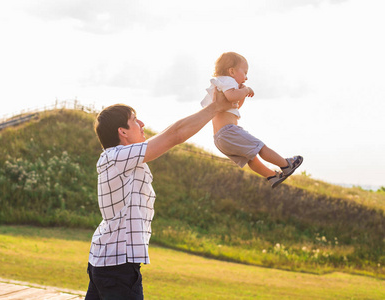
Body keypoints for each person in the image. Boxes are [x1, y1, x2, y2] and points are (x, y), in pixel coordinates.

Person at [85, 90, 233, 300]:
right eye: (135, 120)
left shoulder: (118, 159)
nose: (142, 124)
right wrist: (215, 107)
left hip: (106, 260)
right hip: (118, 267)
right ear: (123, 132)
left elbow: (167, 135)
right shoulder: (117, 157)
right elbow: (175, 135)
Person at [201, 52, 303, 188]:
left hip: (220, 139)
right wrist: (246, 90)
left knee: (250, 157)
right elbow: (231, 97)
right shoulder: (226, 80)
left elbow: (234, 106)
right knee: (260, 147)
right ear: (231, 71)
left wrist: (242, 94)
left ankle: (271, 176)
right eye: (244, 72)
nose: (246, 77)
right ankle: (286, 165)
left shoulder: (221, 86)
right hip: (228, 132)